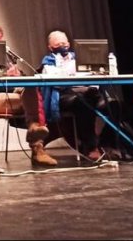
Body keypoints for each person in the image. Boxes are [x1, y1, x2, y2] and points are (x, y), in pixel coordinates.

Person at [0, 23, 57, 166]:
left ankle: (36, 133)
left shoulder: (7, 56)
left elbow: (19, 80)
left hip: (10, 94)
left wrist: (18, 75)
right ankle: (37, 146)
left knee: (32, 86)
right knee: (35, 102)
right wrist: (8, 76)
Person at [36, 30, 104, 161]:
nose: (62, 46)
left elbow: (92, 75)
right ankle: (90, 147)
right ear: (50, 47)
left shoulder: (79, 58)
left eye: (64, 42)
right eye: (58, 44)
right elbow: (57, 83)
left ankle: (109, 143)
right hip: (64, 96)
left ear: (69, 43)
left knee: (114, 105)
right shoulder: (48, 62)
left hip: (88, 92)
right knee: (82, 103)